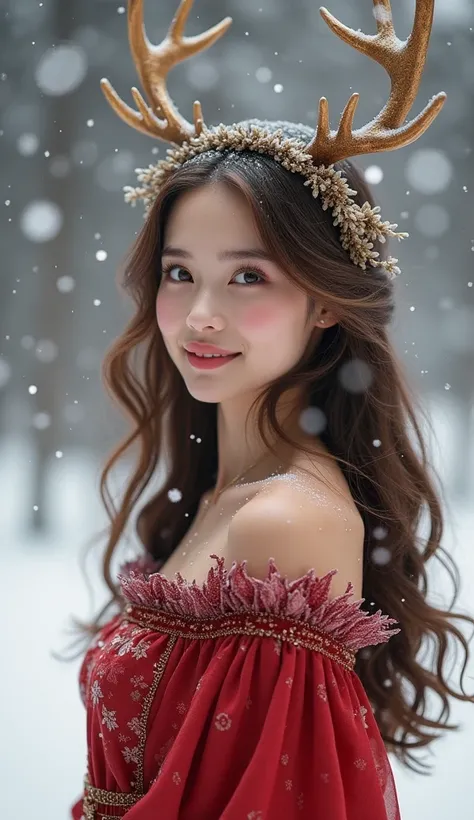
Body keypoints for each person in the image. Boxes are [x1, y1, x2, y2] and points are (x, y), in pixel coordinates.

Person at [66, 1, 474, 818]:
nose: (200, 314)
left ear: (325, 302)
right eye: (180, 274)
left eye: (248, 276)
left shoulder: (284, 522)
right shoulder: (227, 493)